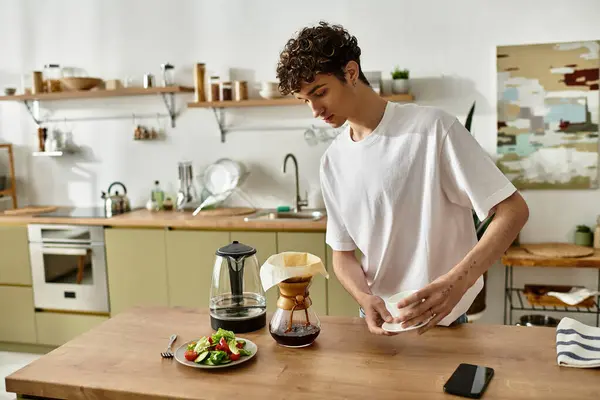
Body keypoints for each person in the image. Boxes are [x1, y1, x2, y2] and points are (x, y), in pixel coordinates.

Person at [275, 21, 529, 336]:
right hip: (380, 328)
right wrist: (363, 297)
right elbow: (342, 254)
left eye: (320, 92)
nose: (314, 109)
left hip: (444, 324)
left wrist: (454, 285)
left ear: (351, 73)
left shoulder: (433, 129)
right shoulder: (333, 161)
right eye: (304, 100)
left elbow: (513, 210)